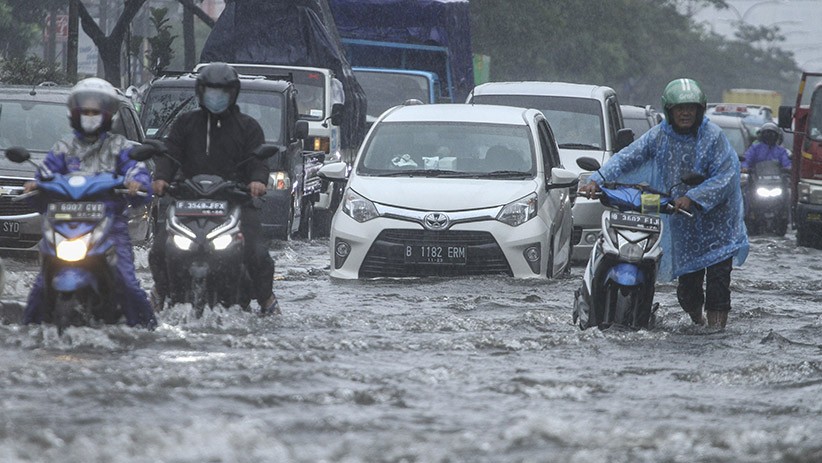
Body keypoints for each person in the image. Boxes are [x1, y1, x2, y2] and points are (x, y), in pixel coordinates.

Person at [579, 78, 748, 329]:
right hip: (684, 223)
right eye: (680, 108)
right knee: (688, 291)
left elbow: (726, 176)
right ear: (669, 111)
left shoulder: (713, 138)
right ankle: (697, 321)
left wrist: (693, 197)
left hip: (719, 226)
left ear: (700, 110)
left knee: (718, 285)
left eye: (691, 108)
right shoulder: (659, 136)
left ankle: (716, 332)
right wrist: (598, 179)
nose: (685, 113)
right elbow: (628, 157)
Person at [22, 77, 157, 329]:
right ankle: (26, 332)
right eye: (85, 111)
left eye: (95, 111)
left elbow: (137, 172)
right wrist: (35, 185)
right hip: (64, 224)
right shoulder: (63, 148)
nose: (90, 116)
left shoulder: (121, 147)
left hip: (109, 224)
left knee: (127, 282)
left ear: (107, 115)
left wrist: (136, 183)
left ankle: (149, 331)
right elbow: (45, 174)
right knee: (40, 285)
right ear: (74, 113)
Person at [149, 62, 280, 315]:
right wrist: (161, 178)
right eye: (210, 89)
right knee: (158, 249)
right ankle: (159, 292)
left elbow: (258, 161)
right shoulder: (185, 124)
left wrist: (257, 182)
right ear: (200, 91)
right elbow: (169, 154)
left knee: (257, 253)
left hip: (235, 203)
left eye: (222, 90)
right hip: (188, 202)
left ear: (233, 93)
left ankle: (267, 300)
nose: (216, 95)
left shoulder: (248, 127)